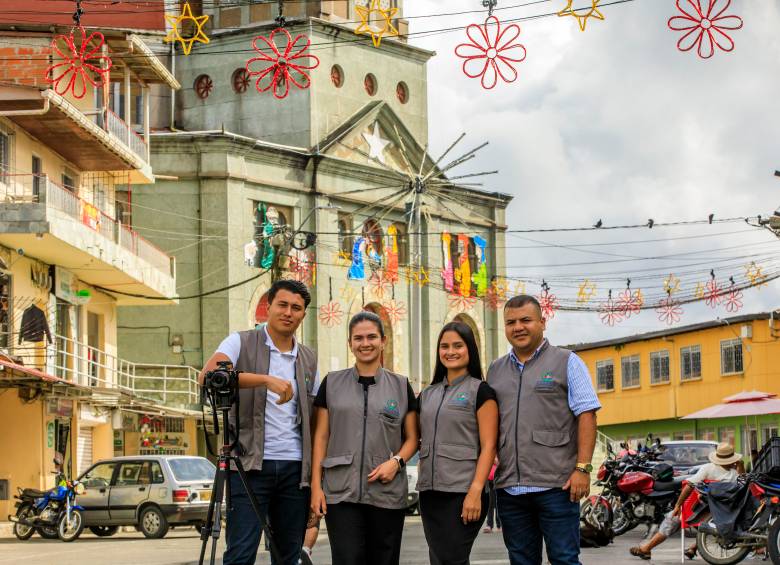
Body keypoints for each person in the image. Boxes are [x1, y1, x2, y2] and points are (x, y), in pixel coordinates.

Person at [199, 279, 319, 565]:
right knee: (240, 554)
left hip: (295, 470)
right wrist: (265, 380)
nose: (288, 312)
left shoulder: (309, 358)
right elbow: (208, 377)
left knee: (288, 555)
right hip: (249, 465)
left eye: (296, 308)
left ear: (303, 314)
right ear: (268, 306)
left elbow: (314, 419)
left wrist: (316, 477)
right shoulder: (240, 341)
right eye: (282, 305)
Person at [488, 294, 601, 565]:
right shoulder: (495, 370)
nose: (518, 327)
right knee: (521, 561)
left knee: (564, 559)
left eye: (526, 320)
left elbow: (587, 414)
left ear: (542, 322)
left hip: (557, 487)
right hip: (510, 489)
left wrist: (582, 469)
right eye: (511, 322)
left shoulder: (567, 361)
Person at [310, 311, 419, 565]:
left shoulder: (401, 386)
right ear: (350, 343)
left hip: (386, 493)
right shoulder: (332, 383)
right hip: (341, 493)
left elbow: (413, 438)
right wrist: (316, 487)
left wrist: (396, 462)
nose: (365, 343)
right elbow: (321, 437)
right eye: (358, 338)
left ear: (383, 341)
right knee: (347, 559)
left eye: (372, 337)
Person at [417, 321, 499, 564]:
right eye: (444, 346)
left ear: (470, 349)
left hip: (463, 492)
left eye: (458, 345)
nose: (450, 351)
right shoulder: (427, 394)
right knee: (439, 559)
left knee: (452, 558)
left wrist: (475, 491)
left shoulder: (481, 391)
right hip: (430, 494)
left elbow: (489, 446)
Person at [629, 442, 743, 561]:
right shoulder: (734, 475)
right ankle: (693, 548)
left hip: (700, 509)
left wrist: (678, 505)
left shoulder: (708, 468)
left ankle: (646, 548)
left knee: (672, 519)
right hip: (722, 513)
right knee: (705, 525)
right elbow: (743, 484)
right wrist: (741, 466)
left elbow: (689, 485)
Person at [484, 457, 501, 534]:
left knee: (498, 502)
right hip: (489, 479)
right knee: (490, 503)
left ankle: (499, 525)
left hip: (499, 479)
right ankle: (489, 525)